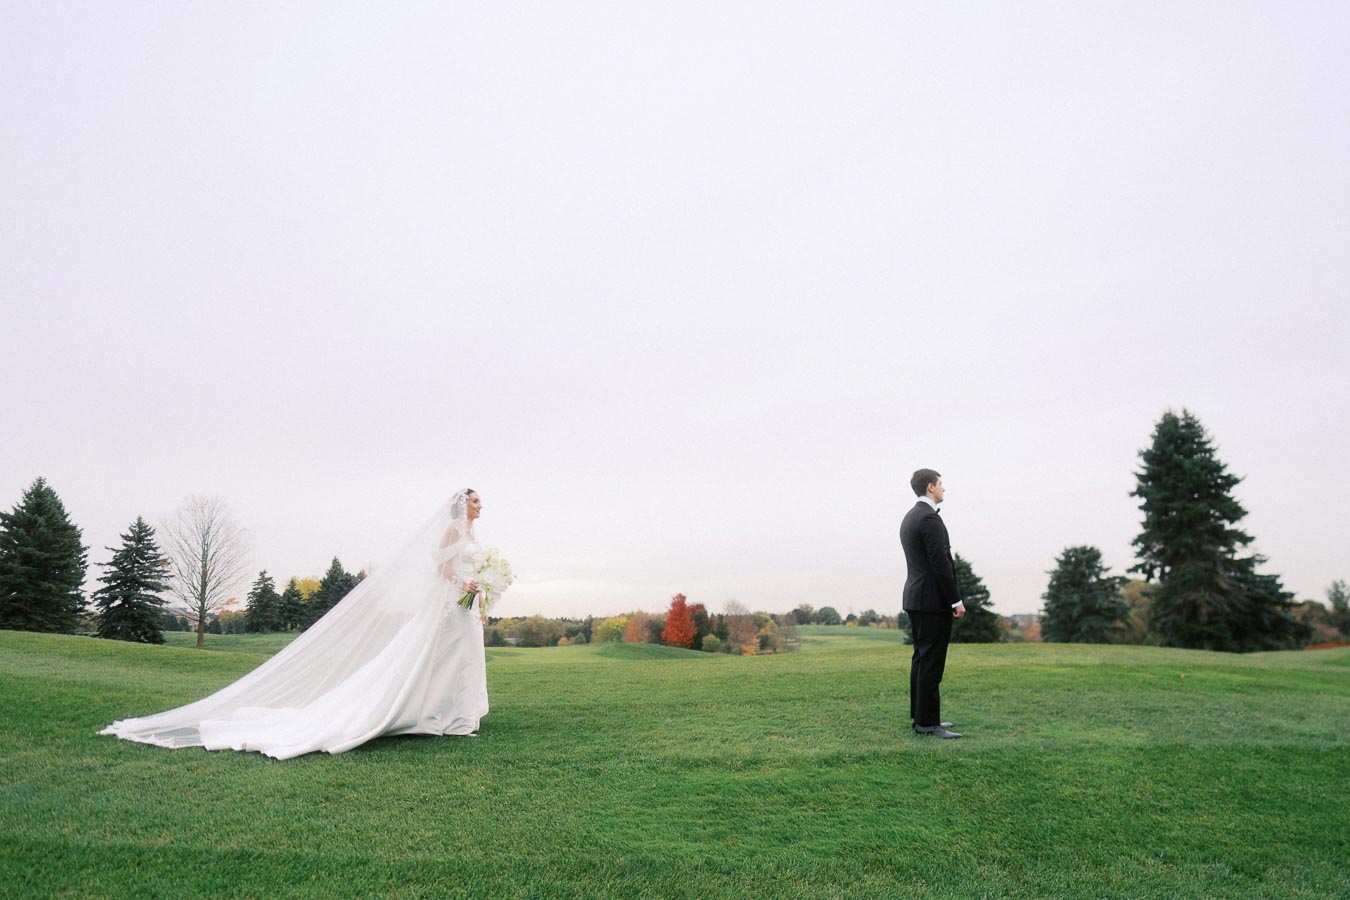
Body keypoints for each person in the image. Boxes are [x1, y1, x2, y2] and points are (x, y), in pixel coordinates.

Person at [100, 488, 491, 759]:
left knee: (462, 658)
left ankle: (457, 717)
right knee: (438, 657)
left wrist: (483, 590)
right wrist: (463, 582)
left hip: (468, 606)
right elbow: (440, 567)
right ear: (462, 504)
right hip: (451, 602)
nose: (480, 506)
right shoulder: (454, 529)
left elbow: (469, 567)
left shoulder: (474, 533)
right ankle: (438, 717)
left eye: (479, 502)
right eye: (475, 501)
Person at [900, 469, 965, 739]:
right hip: (931, 600)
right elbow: (941, 564)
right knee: (932, 661)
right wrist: (956, 599)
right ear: (930, 487)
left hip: (915, 597)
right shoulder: (929, 519)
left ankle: (921, 716)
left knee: (921, 658)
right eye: (941, 485)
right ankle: (928, 723)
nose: (943, 489)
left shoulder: (910, 517)